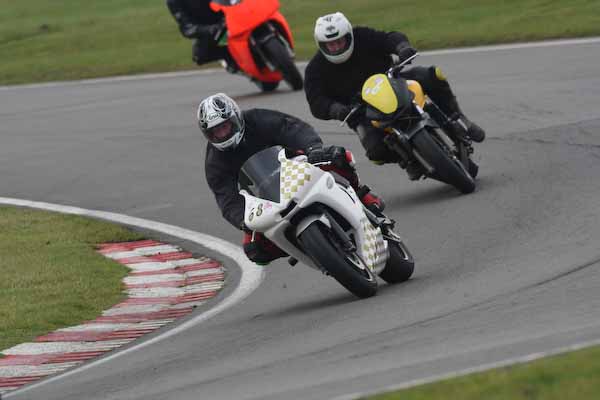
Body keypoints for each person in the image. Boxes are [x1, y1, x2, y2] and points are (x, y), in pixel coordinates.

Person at [199, 93, 386, 265]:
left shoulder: (257, 119)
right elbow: (226, 198)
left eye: (224, 126)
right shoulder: (214, 162)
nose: (222, 134)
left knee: (337, 157)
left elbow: (291, 128)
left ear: (235, 118)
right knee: (254, 250)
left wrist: (313, 149)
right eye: (215, 132)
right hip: (264, 199)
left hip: (295, 167)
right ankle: (306, 248)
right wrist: (242, 220)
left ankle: (362, 195)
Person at [304, 12, 486, 180]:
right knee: (376, 153)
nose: (336, 47)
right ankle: (407, 159)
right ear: (322, 45)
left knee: (432, 75)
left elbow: (388, 38)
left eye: (340, 41)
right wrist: (336, 109)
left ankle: (459, 118)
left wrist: (402, 47)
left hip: (393, 83)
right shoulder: (315, 69)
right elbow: (316, 101)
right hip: (360, 110)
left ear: (349, 36)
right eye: (331, 44)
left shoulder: (362, 36)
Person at [166, 0, 238, 71]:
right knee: (201, 55)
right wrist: (212, 29)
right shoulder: (174, 2)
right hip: (215, 31)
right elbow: (188, 29)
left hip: (232, 18)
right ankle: (229, 58)